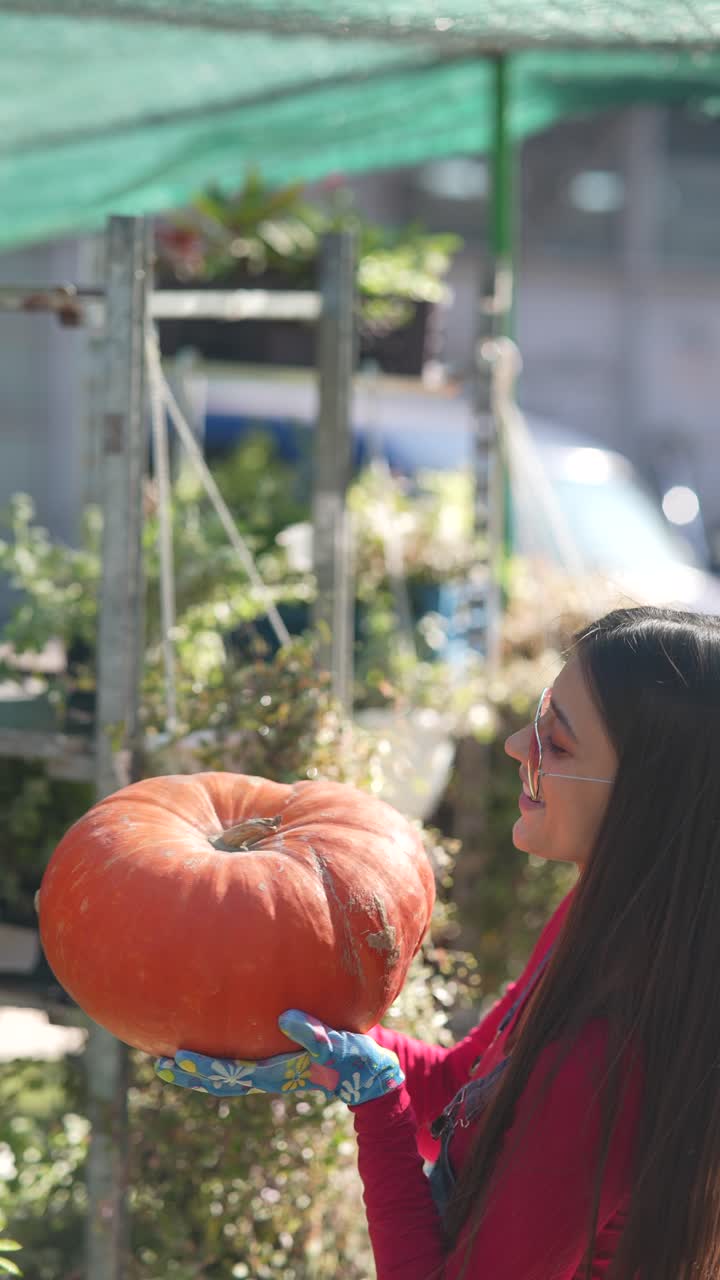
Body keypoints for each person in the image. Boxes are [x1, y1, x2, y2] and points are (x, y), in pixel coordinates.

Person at [157, 605, 720, 1279]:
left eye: (557, 743)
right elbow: (464, 1090)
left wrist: (377, 1107)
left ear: (649, 797)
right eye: (538, 718)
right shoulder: (600, 923)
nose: (519, 745)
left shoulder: (606, 1060)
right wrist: (305, 1027)